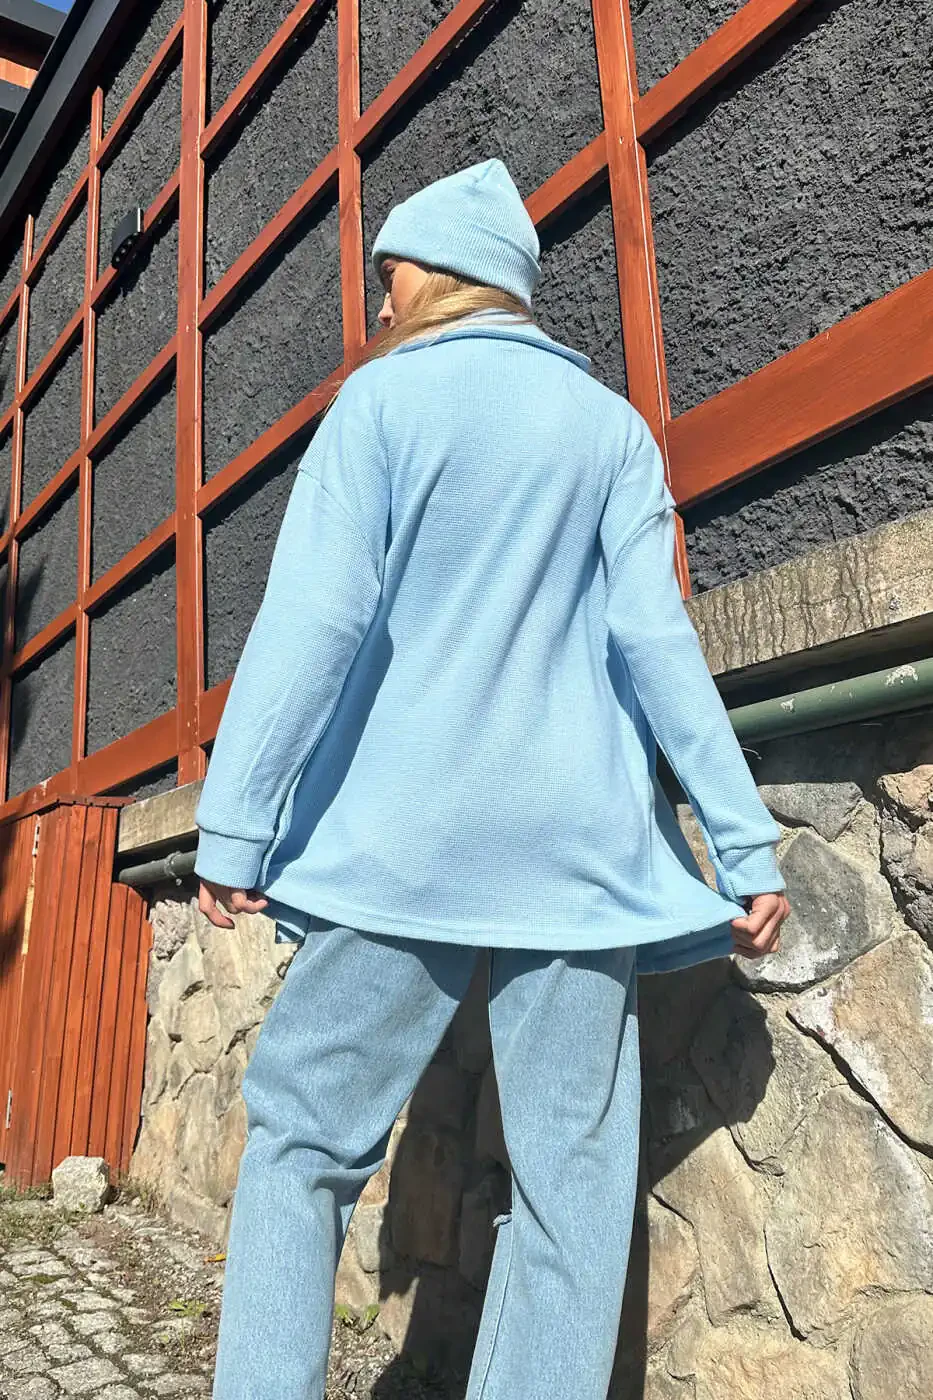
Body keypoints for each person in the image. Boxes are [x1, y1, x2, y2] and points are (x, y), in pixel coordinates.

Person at [195, 157, 790, 1400]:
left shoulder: (379, 406)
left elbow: (315, 618)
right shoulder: (610, 431)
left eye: (393, 272)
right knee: (573, 1193)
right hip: (578, 858)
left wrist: (236, 821)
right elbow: (656, 641)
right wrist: (742, 840)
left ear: (446, 273)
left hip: (398, 845)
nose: (382, 299)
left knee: (302, 1145)